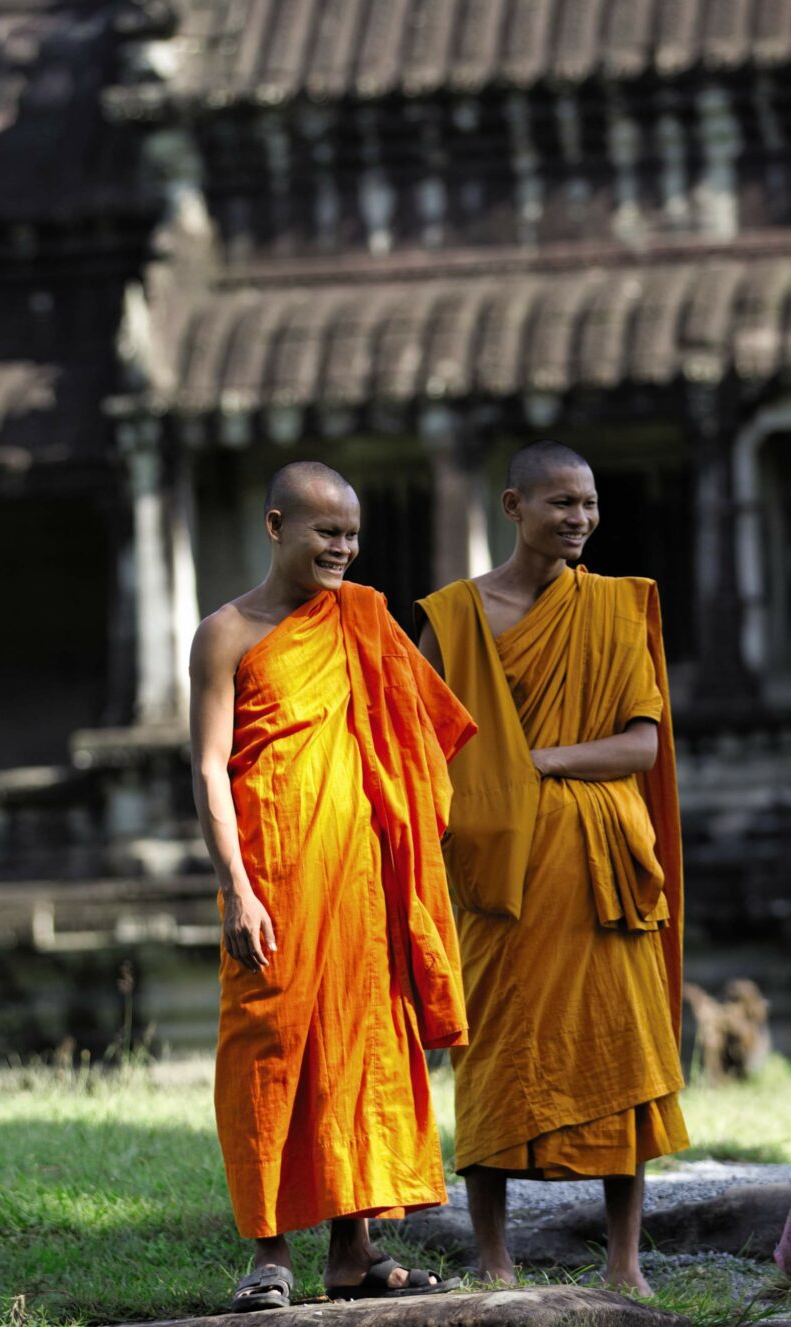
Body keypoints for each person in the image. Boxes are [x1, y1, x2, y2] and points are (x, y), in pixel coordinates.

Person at [190, 460, 476, 1311]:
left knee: (364, 1054)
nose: (342, 548)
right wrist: (236, 885)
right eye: (326, 531)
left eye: (351, 534)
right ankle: (269, 1249)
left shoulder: (365, 620)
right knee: (265, 1054)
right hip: (271, 880)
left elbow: (418, 735)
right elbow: (208, 765)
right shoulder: (228, 633)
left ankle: (354, 1250)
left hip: (360, 884)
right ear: (276, 526)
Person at [416, 440, 688, 1295]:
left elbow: (641, 743)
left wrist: (541, 761)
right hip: (499, 871)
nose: (580, 519)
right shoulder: (455, 617)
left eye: (590, 504)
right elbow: (423, 743)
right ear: (513, 508)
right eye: (561, 503)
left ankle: (624, 1260)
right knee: (495, 1047)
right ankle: (493, 1255)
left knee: (623, 1052)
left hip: (605, 865)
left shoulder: (614, 609)